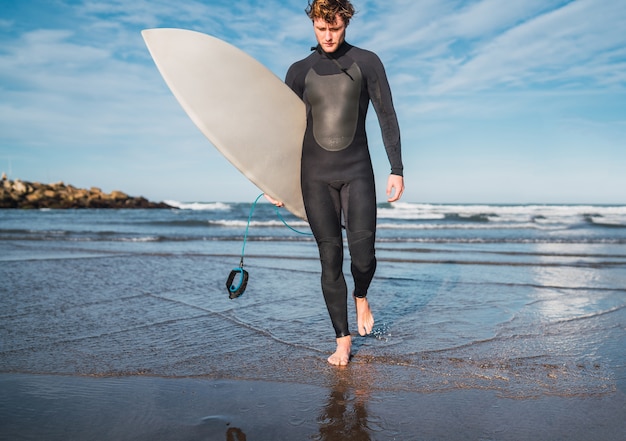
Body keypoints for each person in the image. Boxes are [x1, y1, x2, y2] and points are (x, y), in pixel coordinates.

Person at [266, 0, 404, 366]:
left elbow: (386, 113)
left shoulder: (367, 62)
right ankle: (343, 340)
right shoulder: (299, 71)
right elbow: (284, 132)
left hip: (357, 170)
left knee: (363, 256)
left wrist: (397, 167)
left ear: (347, 23)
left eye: (336, 28)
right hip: (314, 176)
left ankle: (361, 294)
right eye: (322, 28)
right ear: (313, 22)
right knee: (330, 258)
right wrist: (272, 180)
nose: (329, 36)